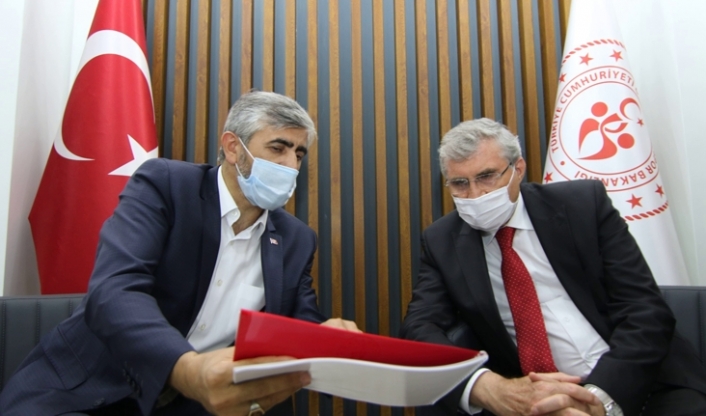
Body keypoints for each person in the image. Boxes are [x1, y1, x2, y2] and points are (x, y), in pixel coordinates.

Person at [0, 91, 358, 416]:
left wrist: (327, 340)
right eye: (278, 148)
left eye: (299, 154)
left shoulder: (297, 239)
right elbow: (115, 290)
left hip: (193, 407)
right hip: (87, 390)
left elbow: (297, 326)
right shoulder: (166, 185)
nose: (292, 166)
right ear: (233, 148)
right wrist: (188, 368)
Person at [401, 118, 706, 416]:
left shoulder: (582, 205)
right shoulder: (442, 241)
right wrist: (482, 385)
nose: (475, 194)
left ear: (518, 169)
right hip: (534, 400)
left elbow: (645, 309)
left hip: (641, 386)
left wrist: (600, 398)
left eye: (487, 176)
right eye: (460, 183)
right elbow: (419, 326)